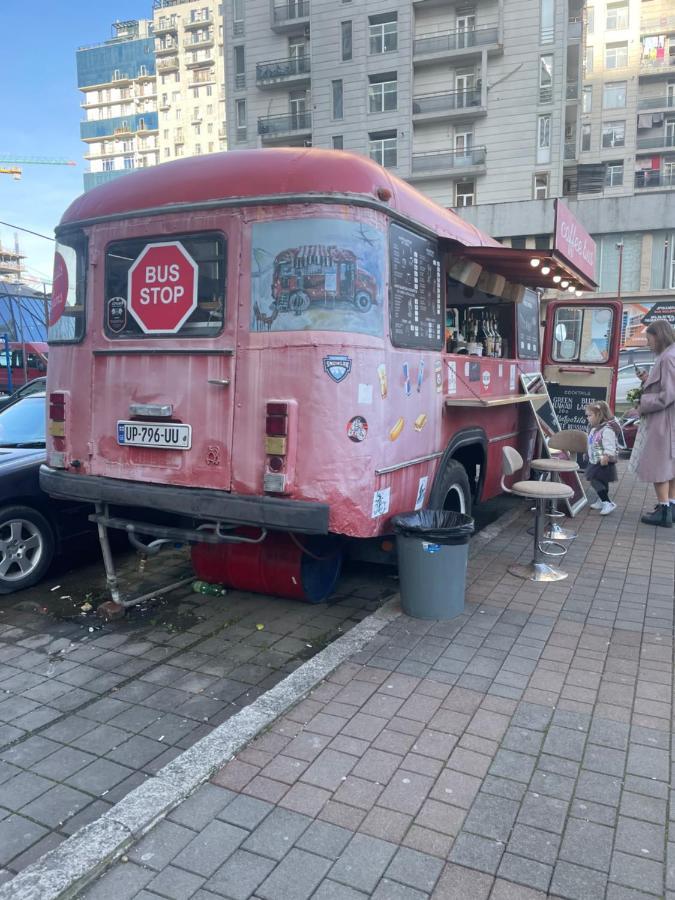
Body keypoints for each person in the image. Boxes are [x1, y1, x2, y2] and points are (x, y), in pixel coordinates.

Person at [635, 320, 675, 528]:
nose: (648, 344)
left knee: (659, 465)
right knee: (671, 466)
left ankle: (664, 509)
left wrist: (643, 402)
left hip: (664, 420)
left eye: (649, 339)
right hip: (671, 419)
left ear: (658, 336)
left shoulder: (667, 357)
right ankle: (670, 506)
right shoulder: (671, 354)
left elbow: (667, 394)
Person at [585, 402, 618, 515]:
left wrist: (607, 456)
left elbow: (610, 445)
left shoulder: (607, 429)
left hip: (602, 460)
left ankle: (607, 502)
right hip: (595, 459)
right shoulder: (595, 428)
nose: (587, 418)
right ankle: (601, 499)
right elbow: (591, 442)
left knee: (594, 480)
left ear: (599, 415)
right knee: (603, 481)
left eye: (590, 415)